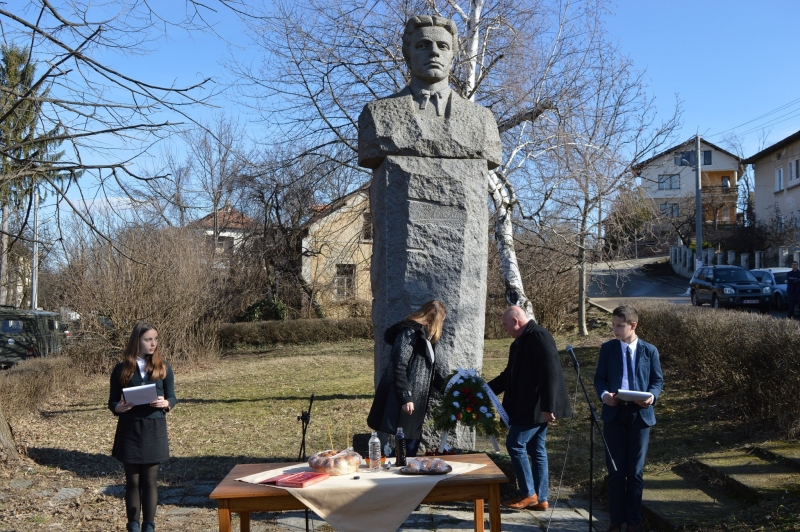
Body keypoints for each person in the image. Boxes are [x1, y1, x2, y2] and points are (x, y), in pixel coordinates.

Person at [487, 306, 572, 511]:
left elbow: (550, 373)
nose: (505, 329)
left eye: (506, 325)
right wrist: (484, 389)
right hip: (526, 406)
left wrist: (548, 406)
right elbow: (509, 375)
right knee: (536, 449)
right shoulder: (518, 342)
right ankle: (541, 498)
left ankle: (528, 494)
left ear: (516, 321)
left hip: (535, 407)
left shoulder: (539, 336)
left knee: (515, 444)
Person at [593, 305, 663, 532]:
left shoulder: (649, 351)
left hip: (640, 417)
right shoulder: (608, 349)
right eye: (612, 325)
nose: (615, 330)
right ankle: (615, 521)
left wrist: (651, 397)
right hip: (614, 415)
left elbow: (657, 381)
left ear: (633, 325)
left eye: (619, 326)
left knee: (635, 472)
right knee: (615, 471)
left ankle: (633, 522)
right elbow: (600, 379)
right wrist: (605, 396)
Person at [108, 322, 176, 532]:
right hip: (130, 429)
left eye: (155, 339)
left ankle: (149, 526)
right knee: (132, 482)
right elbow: (111, 402)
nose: (153, 343)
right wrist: (119, 407)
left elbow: (172, 397)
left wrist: (166, 403)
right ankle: (133, 526)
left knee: (150, 481)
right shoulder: (121, 369)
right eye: (148, 339)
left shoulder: (163, 367)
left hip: (154, 429)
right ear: (136, 341)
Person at [367, 300, 448, 456]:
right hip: (403, 401)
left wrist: (449, 389)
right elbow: (398, 366)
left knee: (409, 449)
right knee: (402, 451)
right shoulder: (409, 333)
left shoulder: (427, 339)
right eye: (442, 321)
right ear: (436, 318)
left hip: (415, 401)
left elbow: (430, 372)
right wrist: (406, 397)